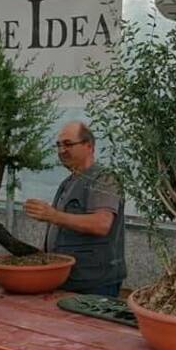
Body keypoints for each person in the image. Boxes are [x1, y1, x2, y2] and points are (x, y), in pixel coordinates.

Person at [23, 121, 125, 297]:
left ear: (89, 146)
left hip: (94, 283)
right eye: (59, 145)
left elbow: (102, 224)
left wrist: (53, 215)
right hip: (67, 280)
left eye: (68, 144)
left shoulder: (103, 180)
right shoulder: (68, 183)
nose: (62, 150)